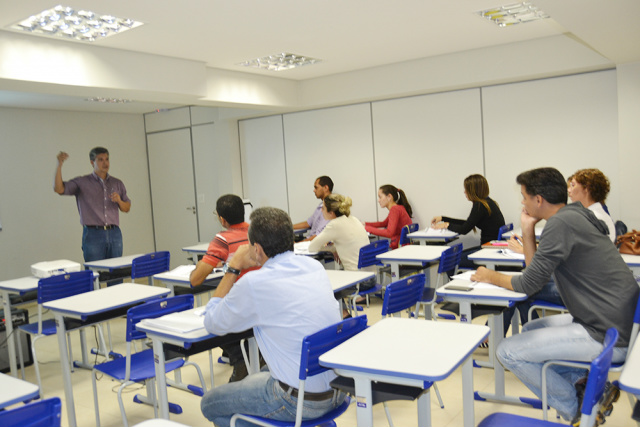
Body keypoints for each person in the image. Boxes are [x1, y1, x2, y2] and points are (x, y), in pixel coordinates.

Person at [471, 167, 638, 424]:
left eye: (525, 197)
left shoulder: (561, 224)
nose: (522, 202)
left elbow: (528, 284)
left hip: (607, 334)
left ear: (539, 200)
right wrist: (528, 229)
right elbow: (534, 271)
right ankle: (587, 386)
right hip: (614, 322)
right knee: (531, 328)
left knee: (508, 352)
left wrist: (487, 275)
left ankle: (577, 409)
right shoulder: (573, 215)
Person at [200, 207, 345, 426]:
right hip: (339, 388)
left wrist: (234, 267)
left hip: (300, 401)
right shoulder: (314, 267)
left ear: (257, 249)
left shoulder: (255, 283)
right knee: (259, 375)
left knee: (210, 404)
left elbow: (212, 322)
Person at [190, 194, 260, 383]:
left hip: (242, 303)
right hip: (263, 300)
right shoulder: (257, 231)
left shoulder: (223, 239)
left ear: (222, 219)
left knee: (215, 316)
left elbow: (196, 280)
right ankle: (251, 354)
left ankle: (239, 359)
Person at [54, 147, 131, 262]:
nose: (105, 163)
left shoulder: (117, 183)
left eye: (107, 159)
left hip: (114, 233)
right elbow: (59, 189)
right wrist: (59, 165)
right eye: (100, 160)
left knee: (116, 273)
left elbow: (127, 208)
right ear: (92, 162)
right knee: (94, 272)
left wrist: (119, 201)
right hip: (93, 234)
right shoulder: (82, 182)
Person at [308, 194, 369, 271]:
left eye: (323, 208)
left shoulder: (334, 225)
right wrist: (334, 248)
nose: (321, 210)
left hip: (356, 277)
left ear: (331, 213)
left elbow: (312, 247)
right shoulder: (353, 219)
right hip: (369, 276)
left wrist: (331, 249)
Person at [567, 168, 616, 242]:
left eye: (573, 185)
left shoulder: (594, 218)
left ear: (587, 188)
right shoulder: (592, 214)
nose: (569, 190)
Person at [364, 184, 413, 249]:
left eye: (380, 197)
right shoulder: (399, 208)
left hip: (400, 248)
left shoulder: (394, 210)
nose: (378, 200)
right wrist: (365, 224)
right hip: (404, 246)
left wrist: (367, 228)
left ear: (389, 197)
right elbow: (384, 223)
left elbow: (389, 233)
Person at [293, 176, 333, 241]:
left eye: (316, 187)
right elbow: (307, 224)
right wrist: (288, 227)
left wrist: (298, 245)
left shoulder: (329, 208)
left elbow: (318, 236)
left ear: (326, 188)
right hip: (309, 240)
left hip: (313, 243)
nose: (314, 190)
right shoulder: (321, 205)